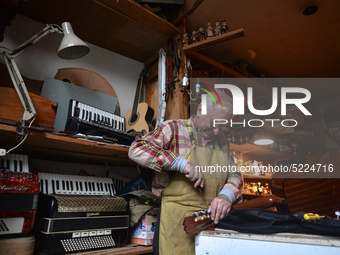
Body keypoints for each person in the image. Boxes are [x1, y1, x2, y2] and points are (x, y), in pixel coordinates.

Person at [128, 89, 243, 254]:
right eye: (214, 123)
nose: (217, 131)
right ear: (200, 110)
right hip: (175, 223)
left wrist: (226, 196)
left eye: (223, 127)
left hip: (210, 222)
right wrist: (180, 163)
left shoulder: (222, 142)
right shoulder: (173, 129)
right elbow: (136, 149)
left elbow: (234, 175)